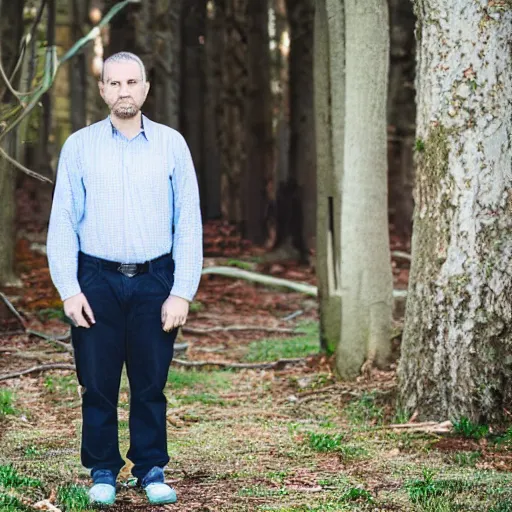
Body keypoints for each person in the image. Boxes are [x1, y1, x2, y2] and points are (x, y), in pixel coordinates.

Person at [46, 51, 203, 506]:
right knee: (97, 382)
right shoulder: (79, 146)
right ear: (102, 90)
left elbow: (188, 222)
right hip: (96, 278)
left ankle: (151, 468)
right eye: (114, 84)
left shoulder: (172, 145)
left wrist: (182, 291)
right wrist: (69, 289)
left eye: (132, 82)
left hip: (157, 277)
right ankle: (102, 471)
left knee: (151, 383)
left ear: (146, 88)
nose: (124, 91)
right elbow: (62, 224)